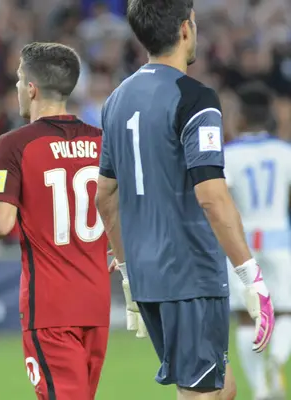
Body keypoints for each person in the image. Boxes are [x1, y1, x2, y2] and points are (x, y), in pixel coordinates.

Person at [96, 1, 275, 400]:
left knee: (219, 387)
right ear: (184, 29)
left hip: (148, 277)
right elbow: (211, 195)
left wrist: (127, 273)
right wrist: (250, 275)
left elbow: (105, 196)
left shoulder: (115, 101)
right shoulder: (195, 98)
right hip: (190, 274)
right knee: (202, 395)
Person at [0, 42, 110, 399]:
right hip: (96, 303)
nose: (15, 89)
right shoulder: (102, 141)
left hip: (51, 309)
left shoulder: (14, 145)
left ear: (31, 88)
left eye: (17, 80)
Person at [224, 82, 291, 400]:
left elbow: (218, 199)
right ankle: (276, 361)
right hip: (280, 240)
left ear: (241, 117)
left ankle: (261, 390)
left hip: (242, 244)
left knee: (245, 315)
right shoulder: (284, 152)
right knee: (286, 312)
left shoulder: (229, 154)